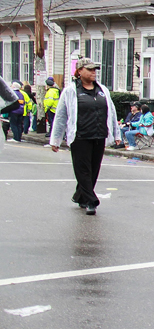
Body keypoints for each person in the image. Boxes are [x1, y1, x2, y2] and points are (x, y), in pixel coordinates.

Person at [49, 58, 122, 215]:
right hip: (80, 136)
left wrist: (117, 134)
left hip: (99, 135)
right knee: (83, 170)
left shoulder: (103, 90)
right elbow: (61, 116)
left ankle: (80, 195)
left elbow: (112, 112)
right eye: (89, 69)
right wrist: (55, 139)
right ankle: (91, 201)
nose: (93, 72)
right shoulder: (70, 91)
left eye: (95, 69)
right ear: (79, 71)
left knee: (94, 169)